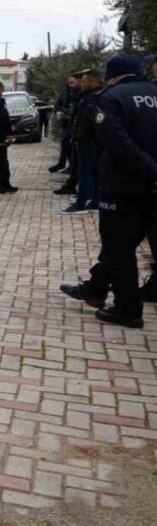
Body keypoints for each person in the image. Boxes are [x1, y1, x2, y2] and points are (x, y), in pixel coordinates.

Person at [60, 55, 157, 328]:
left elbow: (117, 142)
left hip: (124, 185)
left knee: (118, 247)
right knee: (124, 242)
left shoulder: (110, 97)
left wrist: (150, 168)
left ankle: (128, 310)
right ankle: (96, 289)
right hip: (153, 189)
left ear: (113, 76)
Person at [60, 70, 104, 215]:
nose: (82, 84)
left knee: (85, 173)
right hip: (88, 141)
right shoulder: (89, 96)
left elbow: (86, 122)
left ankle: (81, 203)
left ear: (93, 82)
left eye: (84, 82)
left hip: (87, 142)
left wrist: (78, 138)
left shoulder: (93, 98)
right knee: (93, 172)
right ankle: (95, 201)